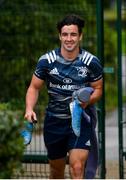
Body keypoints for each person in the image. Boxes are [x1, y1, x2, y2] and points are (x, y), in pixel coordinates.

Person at [24, 14, 103, 179]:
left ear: (80, 36)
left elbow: (98, 89)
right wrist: (29, 109)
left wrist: (86, 102)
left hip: (80, 121)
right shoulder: (46, 61)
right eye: (65, 34)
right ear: (60, 36)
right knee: (56, 171)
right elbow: (33, 87)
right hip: (54, 121)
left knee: (77, 167)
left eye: (73, 34)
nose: (69, 39)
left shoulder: (91, 62)